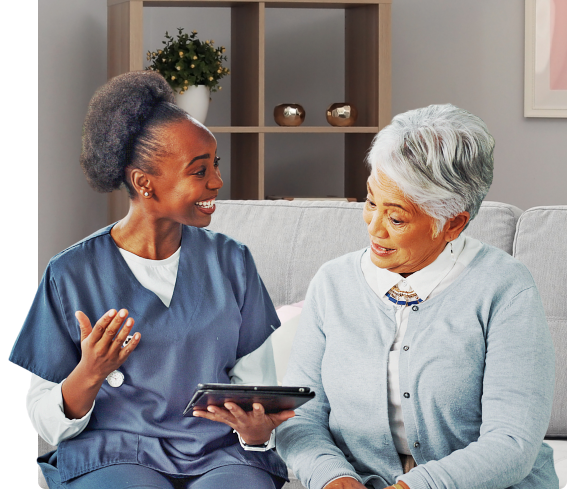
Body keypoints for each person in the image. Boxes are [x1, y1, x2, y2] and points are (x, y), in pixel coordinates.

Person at [11, 71, 293, 489]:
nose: (216, 182)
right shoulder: (71, 273)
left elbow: (257, 388)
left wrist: (256, 431)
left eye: (215, 164)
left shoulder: (233, 261)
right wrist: (89, 372)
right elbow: (45, 422)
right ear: (144, 182)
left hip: (218, 454)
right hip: (113, 454)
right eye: (199, 171)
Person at [275, 104, 558, 489]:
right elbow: (300, 418)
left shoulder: (505, 289)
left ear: (453, 223)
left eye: (396, 218)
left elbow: (512, 443)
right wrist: (333, 478)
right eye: (371, 202)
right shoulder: (333, 283)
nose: (374, 227)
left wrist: (416, 486)